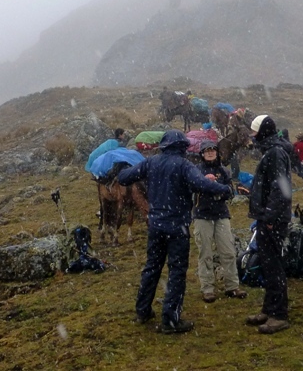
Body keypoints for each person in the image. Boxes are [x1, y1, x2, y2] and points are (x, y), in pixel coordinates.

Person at [118, 130, 232, 334]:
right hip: (177, 227)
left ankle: (142, 311)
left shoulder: (151, 162)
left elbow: (125, 178)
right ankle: (170, 320)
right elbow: (201, 184)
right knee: (177, 272)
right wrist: (223, 189)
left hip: (155, 226)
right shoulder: (183, 165)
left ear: (164, 145)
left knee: (152, 268)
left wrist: (121, 167)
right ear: (182, 146)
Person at [245, 114, 293, 334]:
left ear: (263, 132)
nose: (252, 136)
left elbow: (279, 188)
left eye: (254, 132)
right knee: (268, 264)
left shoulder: (274, 153)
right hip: (268, 217)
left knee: (273, 265)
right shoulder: (272, 150)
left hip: (272, 220)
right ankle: (269, 308)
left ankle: (279, 315)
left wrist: (271, 218)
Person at [193, 140, 247, 303]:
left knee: (228, 252)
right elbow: (192, 189)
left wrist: (215, 185)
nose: (210, 153)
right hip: (202, 216)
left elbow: (229, 192)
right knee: (205, 253)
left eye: (213, 150)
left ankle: (232, 287)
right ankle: (207, 289)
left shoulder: (223, 171)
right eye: (206, 150)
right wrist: (205, 182)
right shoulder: (196, 171)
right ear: (202, 154)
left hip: (222, 215)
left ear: (217, 152)